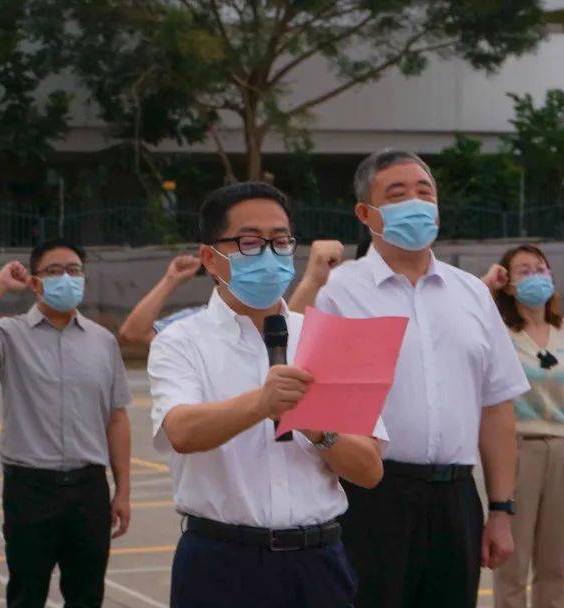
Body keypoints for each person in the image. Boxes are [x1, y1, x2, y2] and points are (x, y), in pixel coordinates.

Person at [147, 182, 386, 607]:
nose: (269, 254)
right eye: (251, 242)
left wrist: (317, 428)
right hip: (221, 562)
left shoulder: (329, 337)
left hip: (318, 563)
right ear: (210, 257)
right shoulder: (180, 341)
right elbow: (180, 430)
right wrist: (261, 403)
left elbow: (368, 469)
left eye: (280, 241)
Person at [314, 149, 528, 608]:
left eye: (424, 191)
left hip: (455, 498)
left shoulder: (470, 292)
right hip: (370, 498)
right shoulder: (338, 292)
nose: (416, 201)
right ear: (366, 213)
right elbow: (318, 407)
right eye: (397, 193)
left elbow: (496, 407)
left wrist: (501, 510)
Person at [0, 239, 132, 608]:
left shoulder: (103, 341)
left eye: (74, 270)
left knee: (86, 594)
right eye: (53, 271)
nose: (66, 277)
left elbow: (116, 417)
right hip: (29, 488)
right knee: (26, 594)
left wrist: (123, 490)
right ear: (34, 283)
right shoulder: (10, 334)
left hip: (89, 488)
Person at [481, 246, 564, 608]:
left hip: (561, 448)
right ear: (509, 285)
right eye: (524, 271)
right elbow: (464, 316)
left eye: (541, 269)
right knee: (513, 562)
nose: (536, 276)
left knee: (554, 562)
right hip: (517, 449)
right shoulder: (500, 331)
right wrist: (488, 285)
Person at [119, 240, 345, 346]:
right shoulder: (193, 325)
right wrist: (170, 281)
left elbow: (288, 337)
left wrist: (314, 281)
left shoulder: (285, 320)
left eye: (280, 243)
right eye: (248, 247)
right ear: (212, 262)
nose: (266, 262)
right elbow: (134, 333)